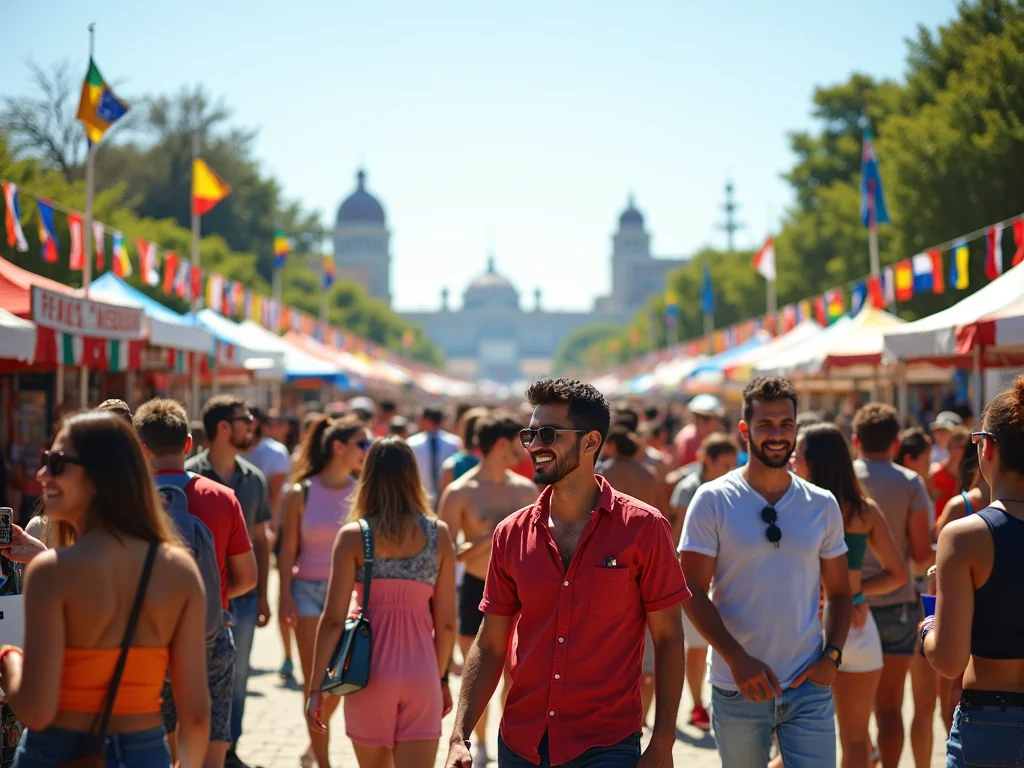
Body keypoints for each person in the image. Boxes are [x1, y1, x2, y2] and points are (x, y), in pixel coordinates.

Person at [445, 378, 690, 768]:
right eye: (530, 434)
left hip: (607, 744)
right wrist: (460, 735)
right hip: (521, 743)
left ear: (591, 442)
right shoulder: (511, 533)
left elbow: (669, 637)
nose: (534, 446)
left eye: (548, 434)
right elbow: (490, 643)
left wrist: (663, 742)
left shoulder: (644, 528)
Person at [0, 411, 210, 767]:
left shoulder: (52, 573)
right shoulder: (179, 571)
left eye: (56, 462)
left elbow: (35, 710)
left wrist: (8, 659)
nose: (41, 474)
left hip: (54, 751)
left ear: (101, 476)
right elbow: (196, 715)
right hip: (144, 753)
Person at [679, 376, 852, 768]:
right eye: (765, 425)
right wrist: (737, 659)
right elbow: (690, 587)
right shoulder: (712, 499)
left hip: (807, 685)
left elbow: (840, 592)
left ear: (796, 428)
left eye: (786, 424)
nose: (777, 434)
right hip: (737, 686)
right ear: (745, 430)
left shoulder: (820, 504)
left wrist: (832, 657)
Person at [305, 437, 456, 768]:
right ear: (413, 478)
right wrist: (441, 678)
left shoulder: (354, 536)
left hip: (367, 674)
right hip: (422, 672)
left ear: (368, 477)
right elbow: (446, 622)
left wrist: (317, 688)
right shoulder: (439, 535)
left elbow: (331, 620)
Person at [134, 398, 258, 768]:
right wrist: (212, 595)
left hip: (149, 636)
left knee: (165, 737)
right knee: (213, 732)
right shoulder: (222, 498)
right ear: (188, 443)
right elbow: (248, 578)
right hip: (211, 631)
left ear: (141, 448)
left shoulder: (127, 502)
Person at [792, 423, 908, 768]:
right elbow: (898, 574)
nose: (792, 463)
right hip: (856, 630)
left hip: (806, 629)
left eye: (797, 456)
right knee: (856, 738)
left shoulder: (795, 509)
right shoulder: (863, 510)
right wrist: (855, 596)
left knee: (793, 742)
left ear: (813, 462)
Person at [922, 375, 1024, 767]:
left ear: (988, 448)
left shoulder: (965, 536)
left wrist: (930, 619)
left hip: (988, 721)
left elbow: (948, 660)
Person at [439, 413, 539, 766]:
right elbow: (444, 553)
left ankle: (507, 743)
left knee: (517, 675)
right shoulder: (460, 491)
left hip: (523, 591)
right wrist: (492, 536)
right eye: (519, 441)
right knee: (478, 674)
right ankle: (477, 744)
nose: (525, 447)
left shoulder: (526, 489)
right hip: (477, 590)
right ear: (501, 444)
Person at [278, 414, 369, 768]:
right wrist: (284, 594)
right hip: (307, 593)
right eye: (362, 444)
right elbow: (287, 549)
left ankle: (313, 746)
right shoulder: (299, 492)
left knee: (342, 681)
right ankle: (323, 762)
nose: (367, 450)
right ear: (338, 447)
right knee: (314, 680)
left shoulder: (361, 491)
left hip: (349, 593)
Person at [186, 395, 272, 768]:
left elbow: (261, 539)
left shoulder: (254, 480)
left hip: (244, 598)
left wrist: (265, 595)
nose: (252, 424)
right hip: (198, 600)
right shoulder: (189, 476)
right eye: (245, 418)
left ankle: (228, 749)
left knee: (238, 679)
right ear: (223, 427)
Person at [851, 403, 933, 768]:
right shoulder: (910, 482)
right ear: (896, 442)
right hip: (898, 604)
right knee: (890, 707)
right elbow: (917, 554)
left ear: (855, 441)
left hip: (849, 603)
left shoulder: (842, 480)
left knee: (852, 714)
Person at [595, 423, 670, 729]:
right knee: (647, 659)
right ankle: (641, 720)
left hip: (605, 563)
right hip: (646, 561)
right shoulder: (648, 475)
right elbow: (663, 518)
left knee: (608, 647)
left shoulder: (602, 474)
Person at [668, 431, 739, 731]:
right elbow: (679, 534)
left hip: (726, 572)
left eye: (732, 464)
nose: (729, 470)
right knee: (696, 645)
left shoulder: (735, 489)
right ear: (706, 461)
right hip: (695, 576)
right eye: (724, 464)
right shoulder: (689, 490)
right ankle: (697, 703)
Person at [245, 407, 296, 683]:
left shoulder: (274, 452)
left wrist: (272, 526)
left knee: (263, 586)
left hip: (263, 529)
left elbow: (275, 496)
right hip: (242, 530)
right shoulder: (237, 450)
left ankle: (283, 654)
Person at [407, 407, 461, 507]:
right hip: (423, 498)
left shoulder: (412, 443)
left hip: (436, 497)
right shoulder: (454, 442)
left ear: (426, 420)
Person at [673, 394, 725, 469]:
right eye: (698, 417)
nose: (700, 421)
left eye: (707, 418)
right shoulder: (685, 439)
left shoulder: (722, 439)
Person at [930, 426, 969, 521]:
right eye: (954, 444)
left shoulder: (971, 477)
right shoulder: (934, 474)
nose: (956, 449)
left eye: (961, 446)